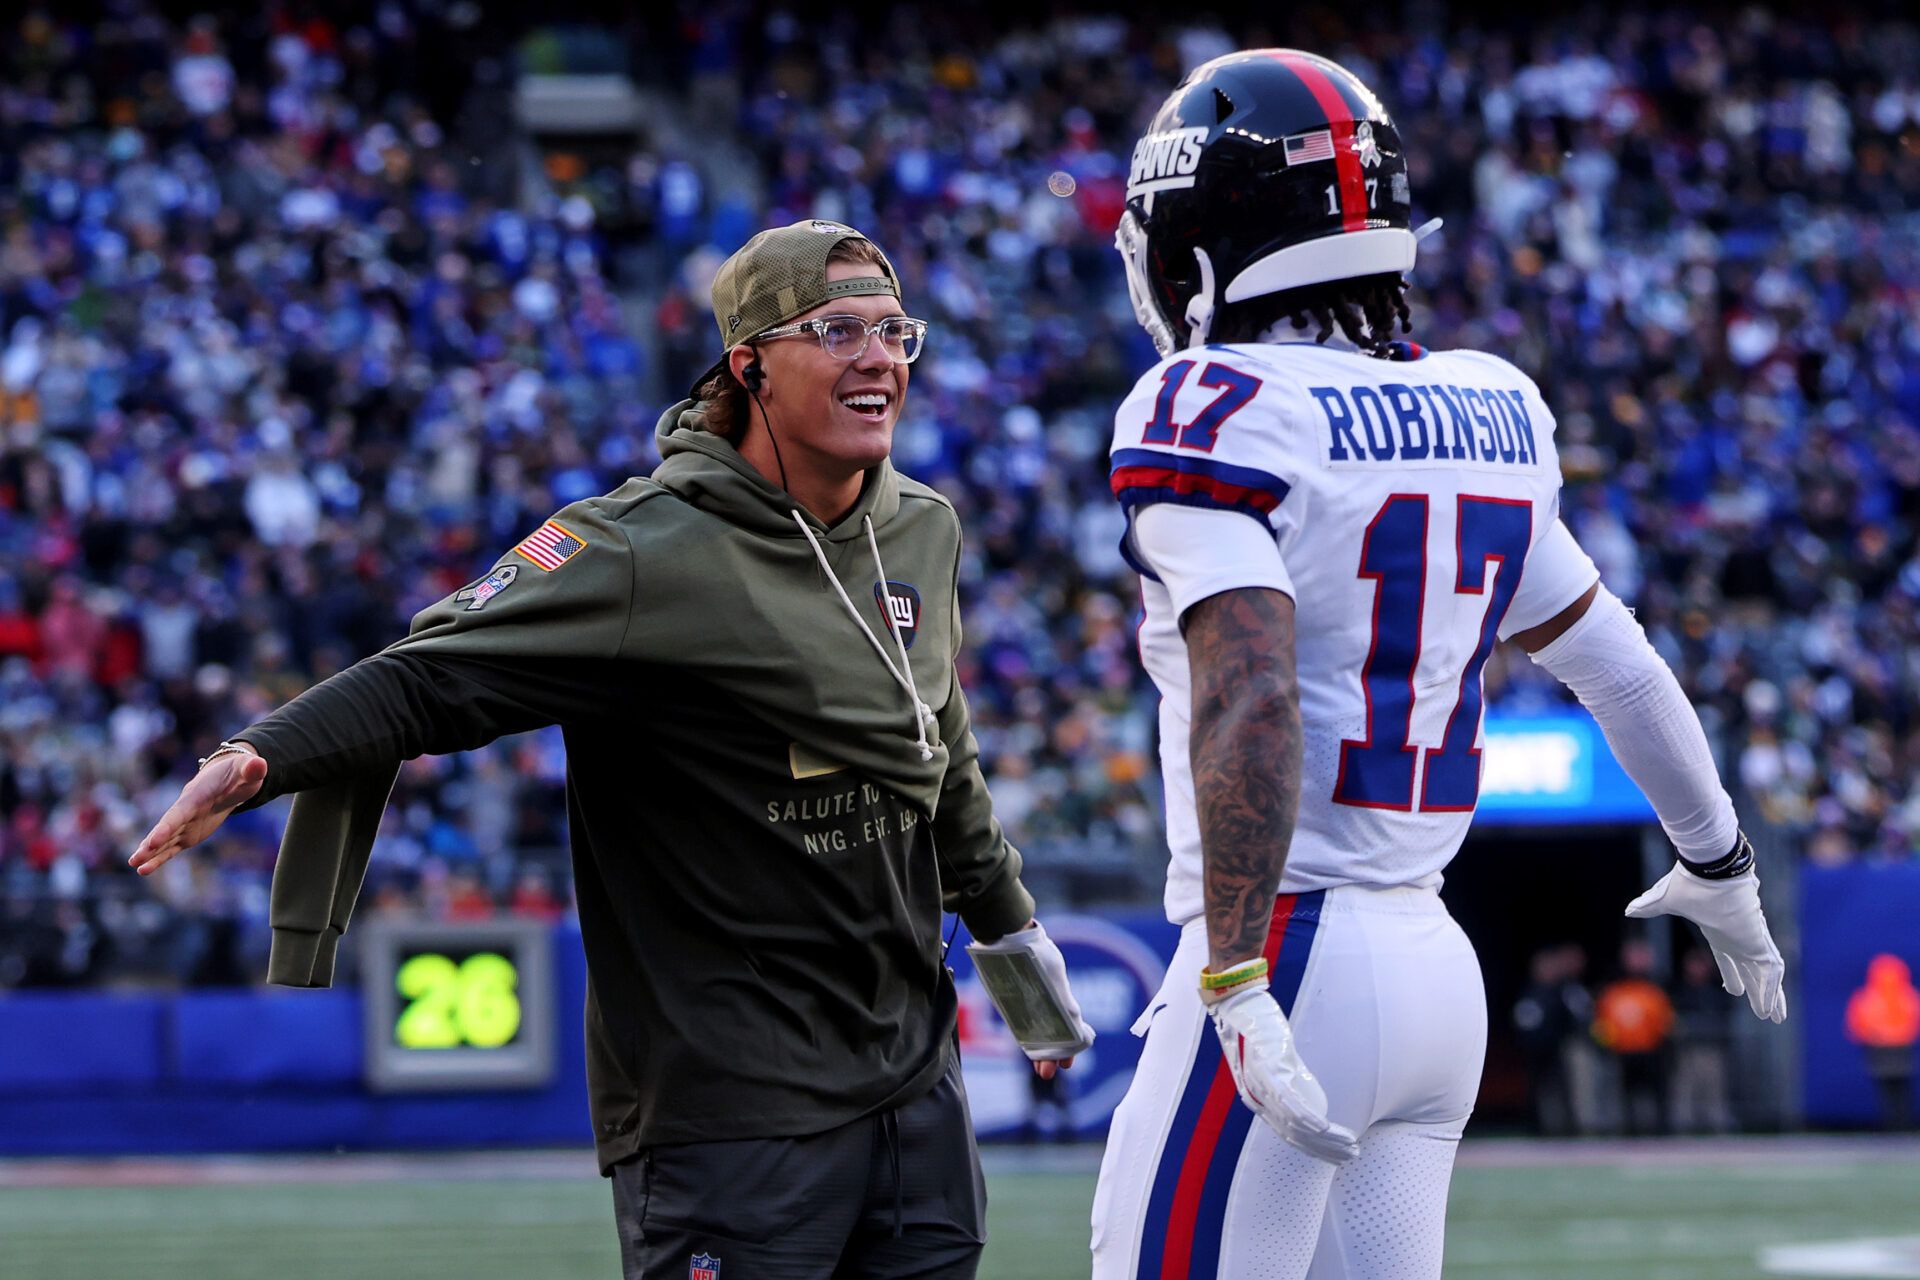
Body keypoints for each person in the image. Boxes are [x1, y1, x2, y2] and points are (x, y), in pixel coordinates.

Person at [129, 220, 1094, 1280]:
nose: (878, 357)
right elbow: (432, 671)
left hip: (916, 1093)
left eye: (894, 331)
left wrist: (1016, 954)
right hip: (735, 1112)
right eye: (838, 330)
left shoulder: (924, 527)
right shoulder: (639, 548)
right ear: (751, 362)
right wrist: (262, 753)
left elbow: (940, 752)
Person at [1089, 50, 1788, 1279]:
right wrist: (1717, 855)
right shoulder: (1488, 409)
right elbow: (1616, 666)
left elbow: (1249, 690)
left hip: (1289, 948)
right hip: (1432, 968)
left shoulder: (1208, 403)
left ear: (1199, 249)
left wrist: (1239, 972)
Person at [1591, 938, 1676, 1135]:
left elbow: (1665, 1023)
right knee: (1625, 1095)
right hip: (1623, 1053)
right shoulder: (1612, 992)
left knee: (1656, 1094)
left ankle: (1660, 1130)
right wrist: (1607, 1047)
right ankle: (1628, 1130)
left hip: (1650, 1051)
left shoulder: (1655, 991)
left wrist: (1663, 1046)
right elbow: (1602, 1024)